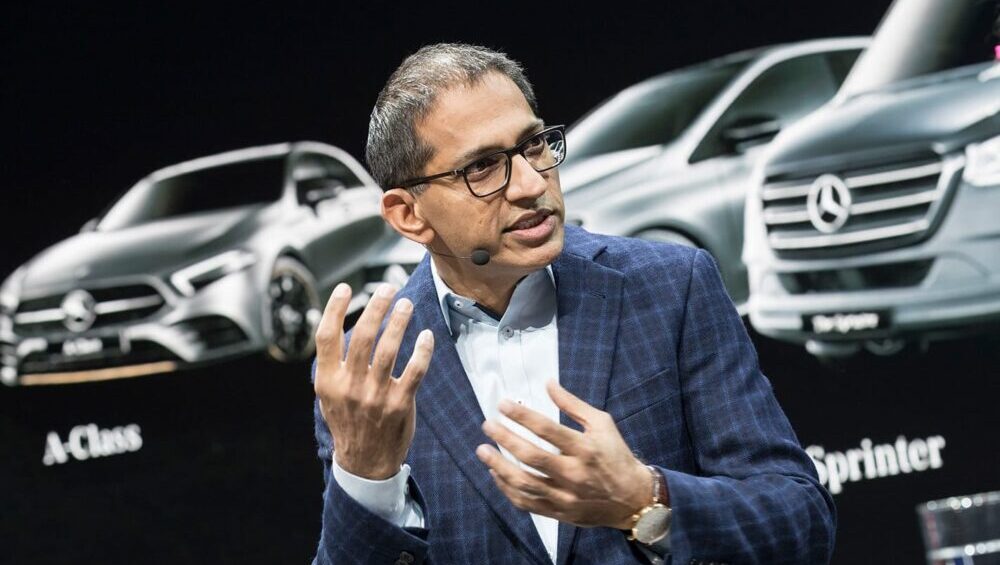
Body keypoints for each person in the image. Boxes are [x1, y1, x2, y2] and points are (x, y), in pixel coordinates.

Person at [311, 43, 835, 565]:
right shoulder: (366, 375)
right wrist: (365, 477)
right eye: (483, 167)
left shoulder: (670, 287)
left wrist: (645, 500)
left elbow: (801, 521)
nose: (531, 183)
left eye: (534, 145)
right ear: (408, 215)